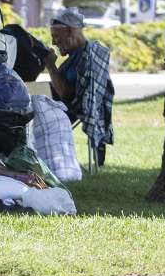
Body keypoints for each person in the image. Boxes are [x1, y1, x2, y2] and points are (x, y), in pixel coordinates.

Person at [42, 8, 114, 165]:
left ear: (71, 31)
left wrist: (51, 66)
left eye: (56, 37)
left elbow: (66, 95)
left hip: (68, 109)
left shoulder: (85, 57)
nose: (54, 42)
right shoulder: (79, 54)